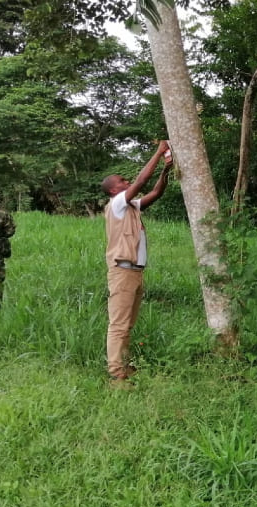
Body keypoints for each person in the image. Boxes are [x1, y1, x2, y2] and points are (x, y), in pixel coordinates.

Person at [101, 141, 173, 382]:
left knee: (127, 324)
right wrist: (160, 150)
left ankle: (124, 364)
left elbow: (155, 193)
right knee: (119, 325)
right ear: (114, 190)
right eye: (122, 181)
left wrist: (165, 171)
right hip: (122, 272)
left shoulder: (131, 206)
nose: (128, 183)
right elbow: (142, 182)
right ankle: (116, 374)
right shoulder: (117, 204)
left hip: (135, 272)